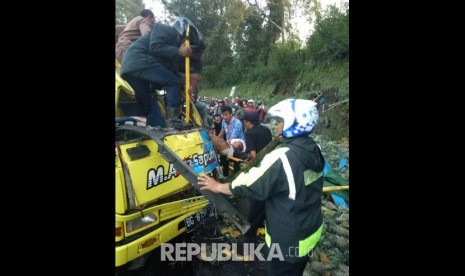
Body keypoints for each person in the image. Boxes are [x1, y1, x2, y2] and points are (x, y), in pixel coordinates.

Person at [198, 99, 325, 276]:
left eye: (281, 121)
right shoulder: (314, 148)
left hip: (288, 241)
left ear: (293, 124)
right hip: (310, 232)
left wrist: (218, 186)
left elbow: (248, 183)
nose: (278, 126)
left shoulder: (283, 157)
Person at [120, 17, 201, 129]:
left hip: (130, 68)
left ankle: (134, 128)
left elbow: (172, 72)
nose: (186, 46)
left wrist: (187, 83)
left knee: (146, 105)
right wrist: (178, 51)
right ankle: (172, 120)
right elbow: (155, 46)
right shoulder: (165, 29)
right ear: (183, 34)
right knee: (172, 82)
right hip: (139, 60)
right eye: (187, 42)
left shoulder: (170, 53)